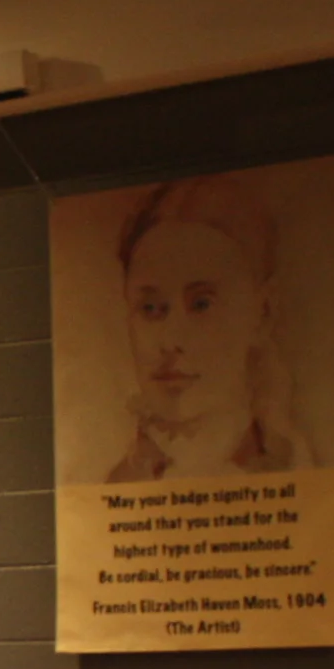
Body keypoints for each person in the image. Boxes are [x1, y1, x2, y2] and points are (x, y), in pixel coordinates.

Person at [105, 175, 311, 483]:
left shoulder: (297, 474)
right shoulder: (116, 488)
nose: (171, 340)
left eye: (201, 305)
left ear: (263, 313)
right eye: (150, 309)